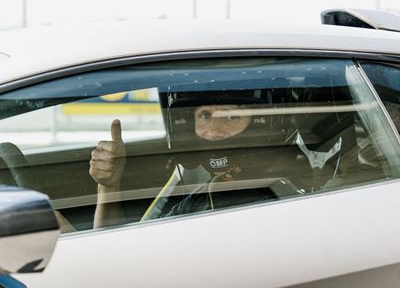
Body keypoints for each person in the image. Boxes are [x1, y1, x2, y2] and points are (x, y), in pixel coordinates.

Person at [90, 90, 278, 228]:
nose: (214, 130)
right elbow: (117, 247)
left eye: (231, 116)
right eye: (205, 115)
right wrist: (109, 187)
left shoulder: (282, 196)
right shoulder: (199, 198)